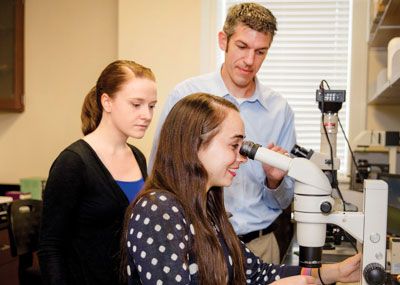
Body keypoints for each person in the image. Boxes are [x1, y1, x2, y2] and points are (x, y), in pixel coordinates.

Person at [124, 93, 361, 285]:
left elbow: (256, 274)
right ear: (195, 144)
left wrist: (333, 273)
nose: (242, 158)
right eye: (234, 145)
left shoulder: (207, 208)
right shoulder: (157, 210)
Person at [149, 2, 295, 263]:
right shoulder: (186, 97)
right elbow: (160, 172)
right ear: (223, 40)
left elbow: (283, 201)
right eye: (242, 47)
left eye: (261, 52)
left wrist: (275, 181)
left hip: (260, 245)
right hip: (200, 243)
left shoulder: (279, 110)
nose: (250, 60)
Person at [38, 60, 157, 285]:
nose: (147, 115)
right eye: (136, 104)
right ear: (107, 102)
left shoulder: (138, 157)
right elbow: (50, 247)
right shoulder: (73, 163)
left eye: (151, 106)